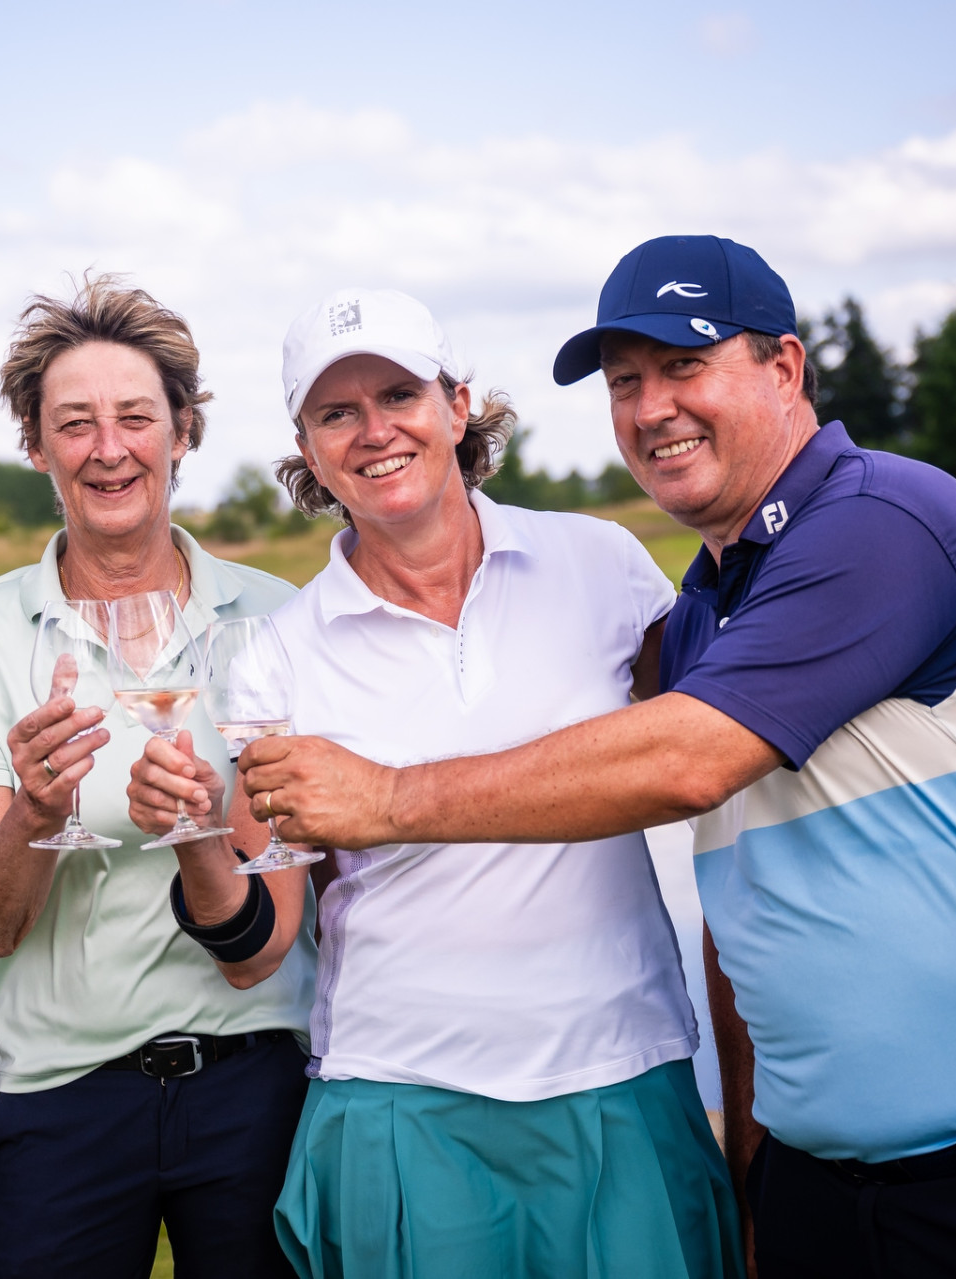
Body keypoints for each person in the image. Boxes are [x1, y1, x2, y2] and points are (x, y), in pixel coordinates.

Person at [237, 237, 956, 1277]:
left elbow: (684, 762)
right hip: (828, 1186)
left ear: (784, 367)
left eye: (685, 364)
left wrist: (387, 797)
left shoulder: (883, 519)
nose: (652, 407)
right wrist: (753, 1159)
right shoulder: (707, 606)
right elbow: (744, 908)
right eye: (626, 382)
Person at [131, 287, 740, 1279]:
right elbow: (257, 945)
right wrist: (197, 833)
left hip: (622, 1077)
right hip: (401, 1101)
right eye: (336, 412)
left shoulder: (604, 563)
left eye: (399, 394)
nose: (374, 430)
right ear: (308, 447)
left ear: (458, 407)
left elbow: (704, 757)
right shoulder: (279, 652)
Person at [0, 275, 316, 1278]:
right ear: (36, 444)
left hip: (257, 1086)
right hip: (61, 1100)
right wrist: (37, 808)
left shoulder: (280, 619)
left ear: (182, 430)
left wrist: (199, 829)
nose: (109, 448)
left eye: (137, 417)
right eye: (75, 423)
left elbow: (264, 939)